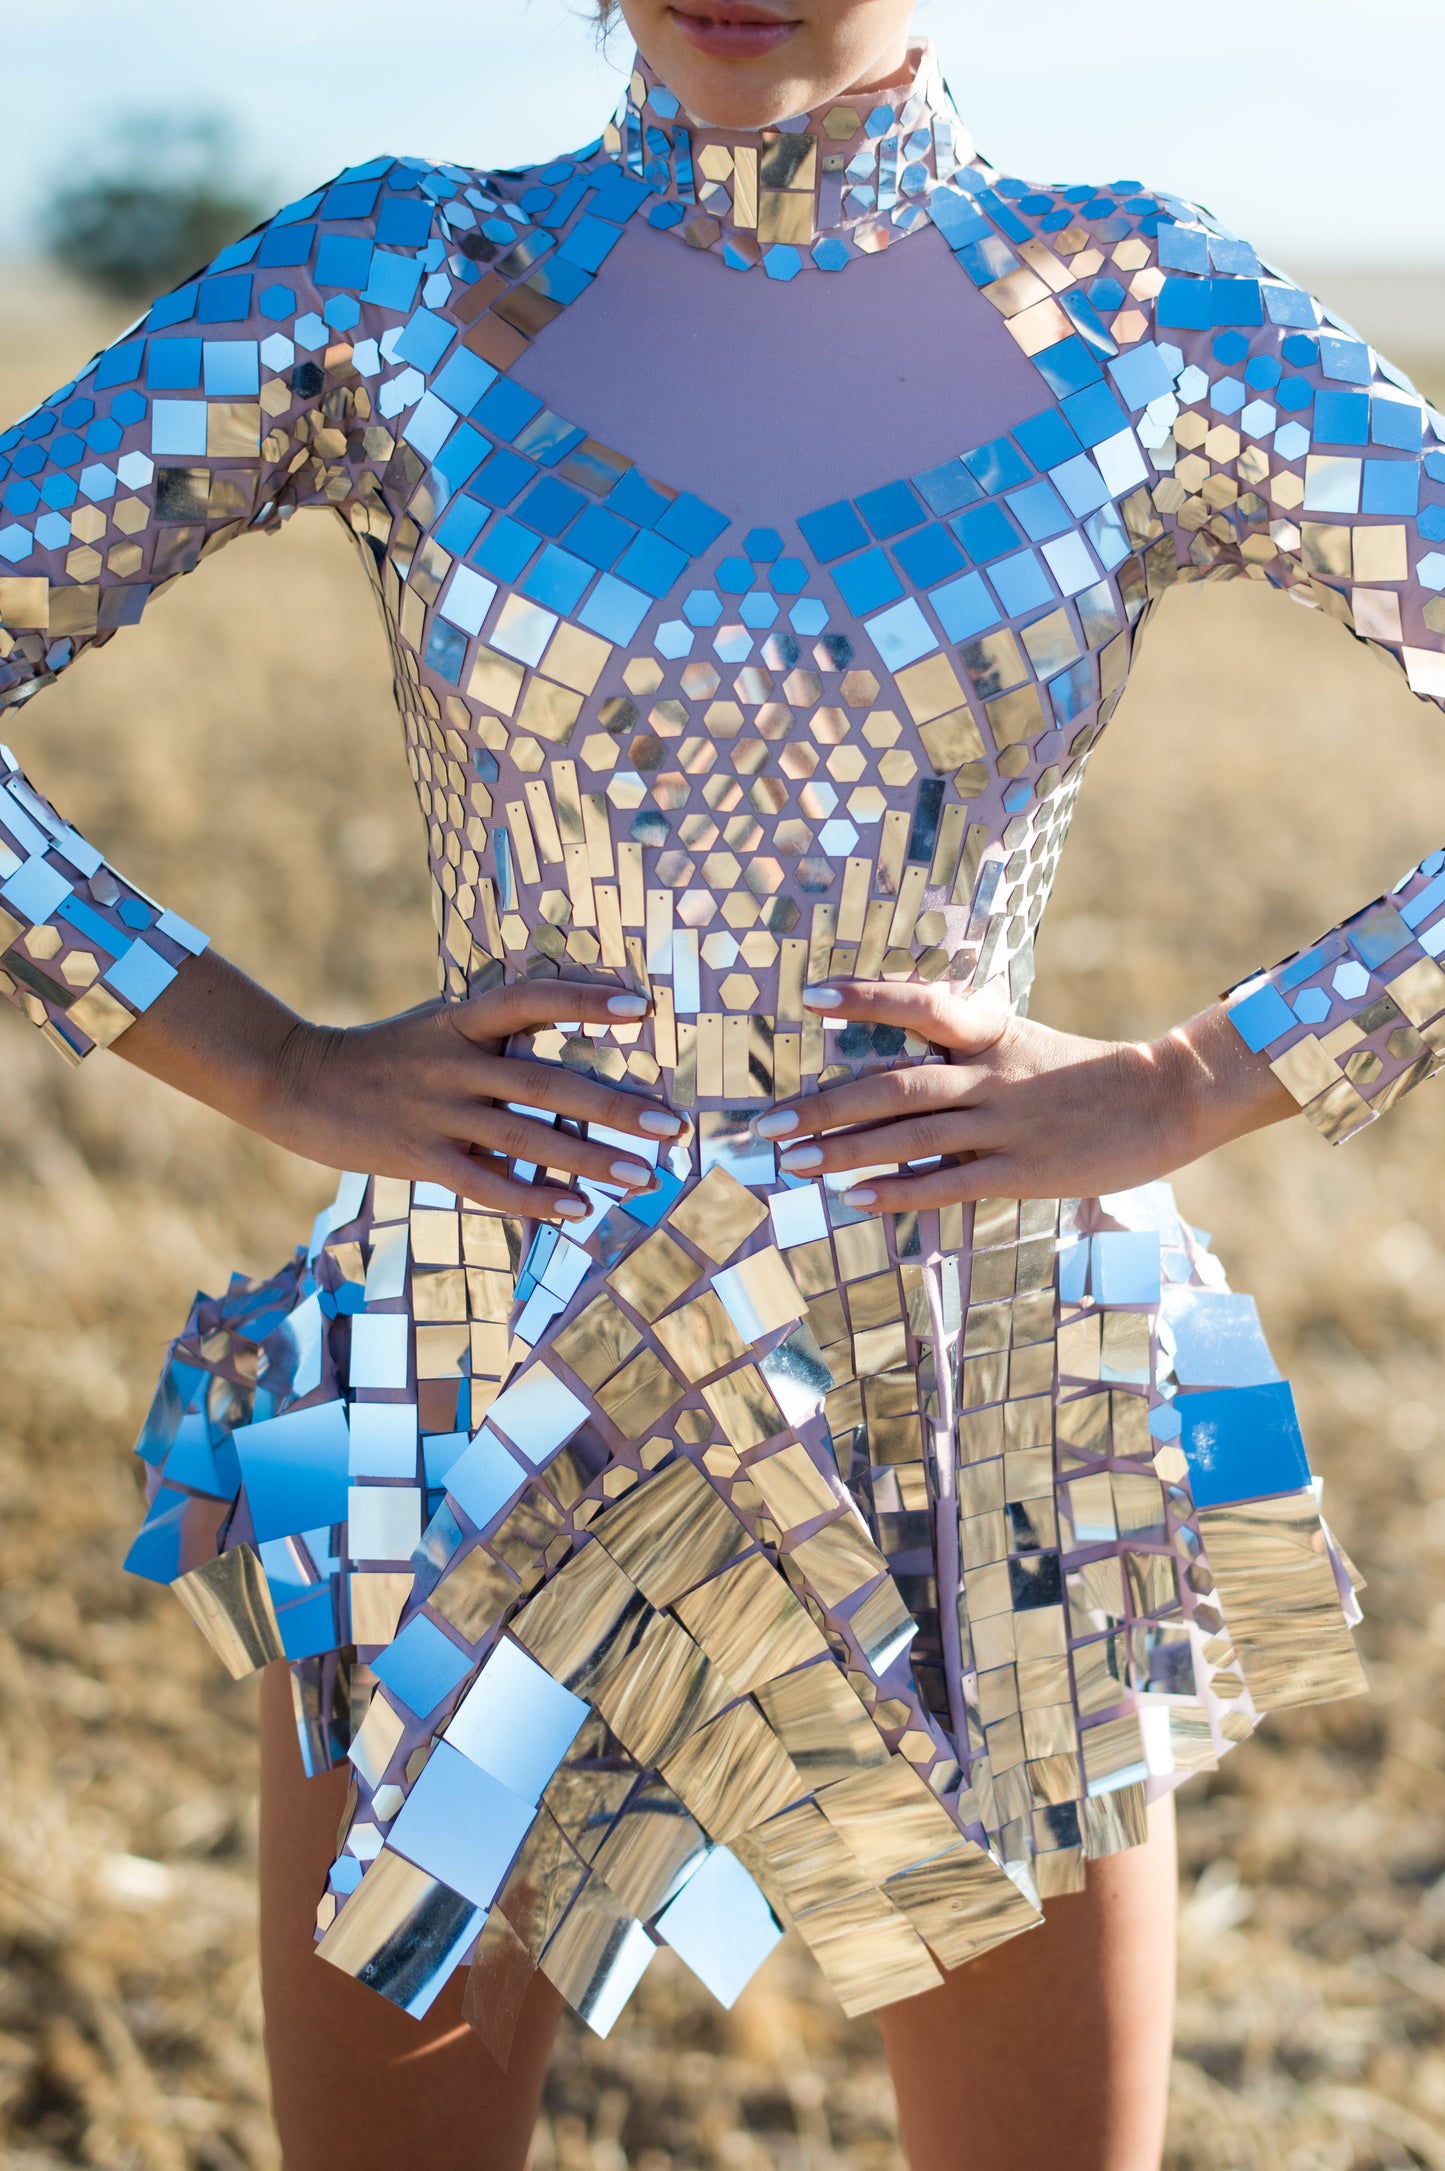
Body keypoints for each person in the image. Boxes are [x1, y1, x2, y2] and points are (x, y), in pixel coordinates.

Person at [0, 0, 1432, 2161]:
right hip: (466, 1377)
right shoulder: (391, 277)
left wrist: (1192, 1078)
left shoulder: (1152, 312)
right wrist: (272, 1059)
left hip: (984, 1398)